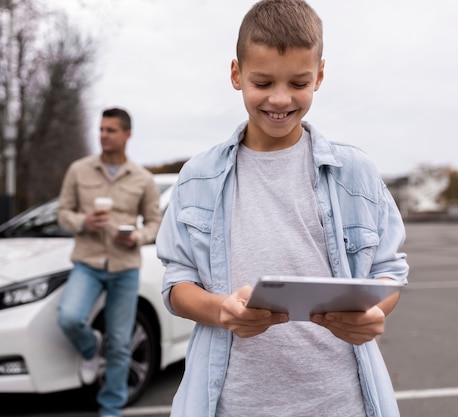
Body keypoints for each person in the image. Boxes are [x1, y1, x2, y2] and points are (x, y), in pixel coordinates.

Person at [155, 1, 409, 416]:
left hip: (341, 402)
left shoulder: (356, 172)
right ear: (236, 74)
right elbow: (177, 284)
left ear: (320, 76)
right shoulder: (196, 177)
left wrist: (374, 313)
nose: (280, 98)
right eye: (263, 81)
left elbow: (389, 273)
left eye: (298, 83)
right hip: (233, 402)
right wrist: (221, 310)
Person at [57, 107, 161, 417]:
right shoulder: (79, 170)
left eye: (111, 130)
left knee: (119, 343)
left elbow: (155, 223)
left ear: (127, 134)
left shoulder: (143, 179)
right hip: (87, 263)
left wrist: (138, 237)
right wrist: (84, 222)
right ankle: (90, 348)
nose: (103, 135)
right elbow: (62, 213)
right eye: (101, 129)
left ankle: (111, 408)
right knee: (70, 318)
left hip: (125, 266)